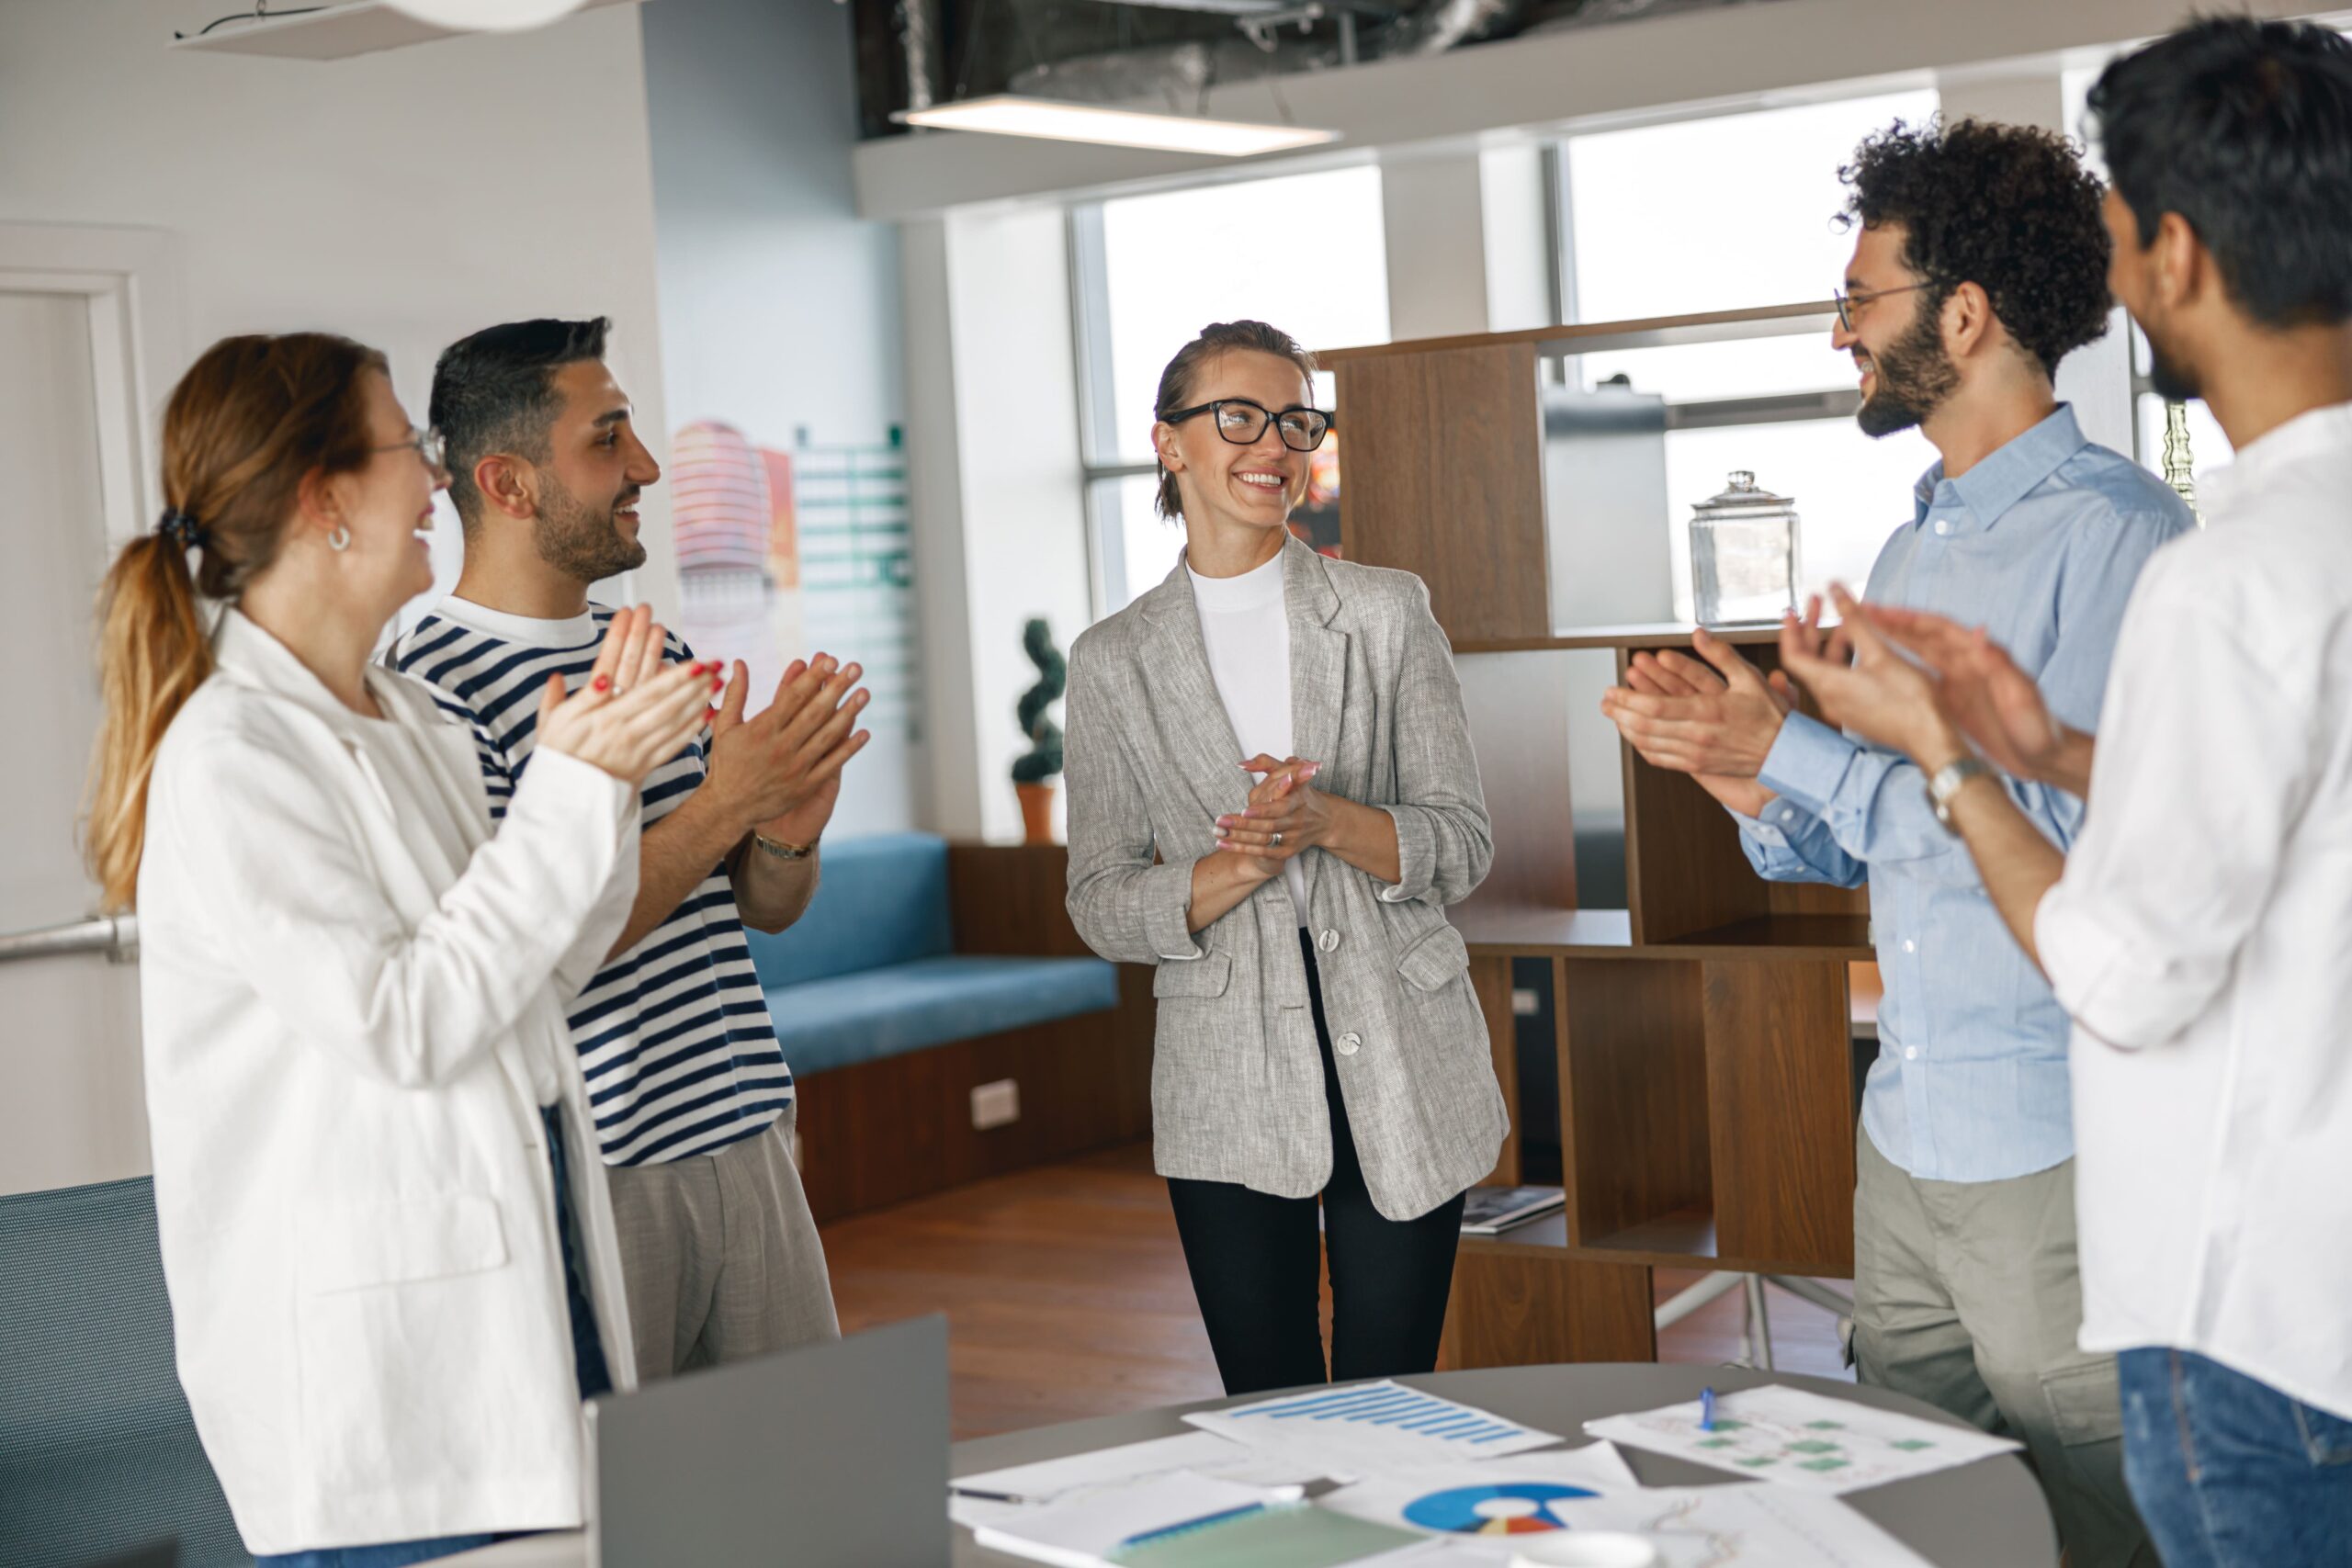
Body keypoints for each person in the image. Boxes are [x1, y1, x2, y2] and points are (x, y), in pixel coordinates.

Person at [1767, 20, 2352, 1566]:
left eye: (2125, 226)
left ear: (2174, 250)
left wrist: (1953, 760)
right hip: (1987, 1149)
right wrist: (2049, 755)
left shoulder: (2185, 557)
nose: (1839, 332)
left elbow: (2119, 961)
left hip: (2238, 1289)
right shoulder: (2272, 540)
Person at [1599, 118, 2194, 1565]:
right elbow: (1888, 844)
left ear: (1965, 314)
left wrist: (1792, 748)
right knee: (1913, 1515)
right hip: (1907, 1140)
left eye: (1861, 300)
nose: (1841, 332)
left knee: (2096, 1524)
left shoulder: (2120, 538)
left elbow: (2059, 835)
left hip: (2048, 1150)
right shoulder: (1914, 544)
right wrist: (1742, 778)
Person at [85, 332, 717, 1564]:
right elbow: (406, 1019)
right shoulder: (229, 758)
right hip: (385, 1378)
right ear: (324, 499)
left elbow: (527, 969)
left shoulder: (409, 713)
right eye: (408, 453)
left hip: (531, 1278)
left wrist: (591, 785)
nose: (436, 480)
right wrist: (566, 793)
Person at [390, 317, 863, 1380]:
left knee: (799, 1494)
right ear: (509, 484)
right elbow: (530, 957)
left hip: (746, 1129)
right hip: (601, 1166)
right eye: (608, 441)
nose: (644, 466)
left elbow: (760, 911)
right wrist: (722, 804)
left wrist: (783, 833)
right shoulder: (427, 690)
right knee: (631, 1515)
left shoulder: (651, 648)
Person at [1062, 319, 1505, 1397]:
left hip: (1403, 1056)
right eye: (1239, 417)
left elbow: (1463, 841)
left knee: (1391, 1397)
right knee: (1267, 1403)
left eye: (1296, 420)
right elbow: (1099, 902)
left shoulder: (1389, 612)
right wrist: (1239, 868)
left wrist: (1325, 824)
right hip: (1225, 1079)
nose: (1275, 443)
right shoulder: (1112, 661)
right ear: (1170, 444)